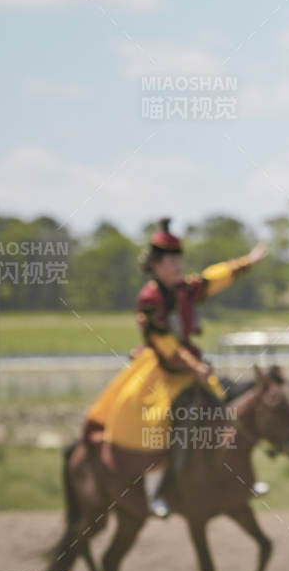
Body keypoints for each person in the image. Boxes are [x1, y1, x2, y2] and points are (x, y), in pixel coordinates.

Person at [82, 218, 267, 517]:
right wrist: (194, 366)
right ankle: (156, 491)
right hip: (162, 370)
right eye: (171, 261)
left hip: (191, 368)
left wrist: (247, 262)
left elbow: (211, 279)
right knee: (159, 425)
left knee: (223, 416)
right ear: (155, 266)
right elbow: (164, 341)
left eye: (179, 260)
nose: (178, 265)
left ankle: (236, 480)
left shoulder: (185, 289)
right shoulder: (150, 298)